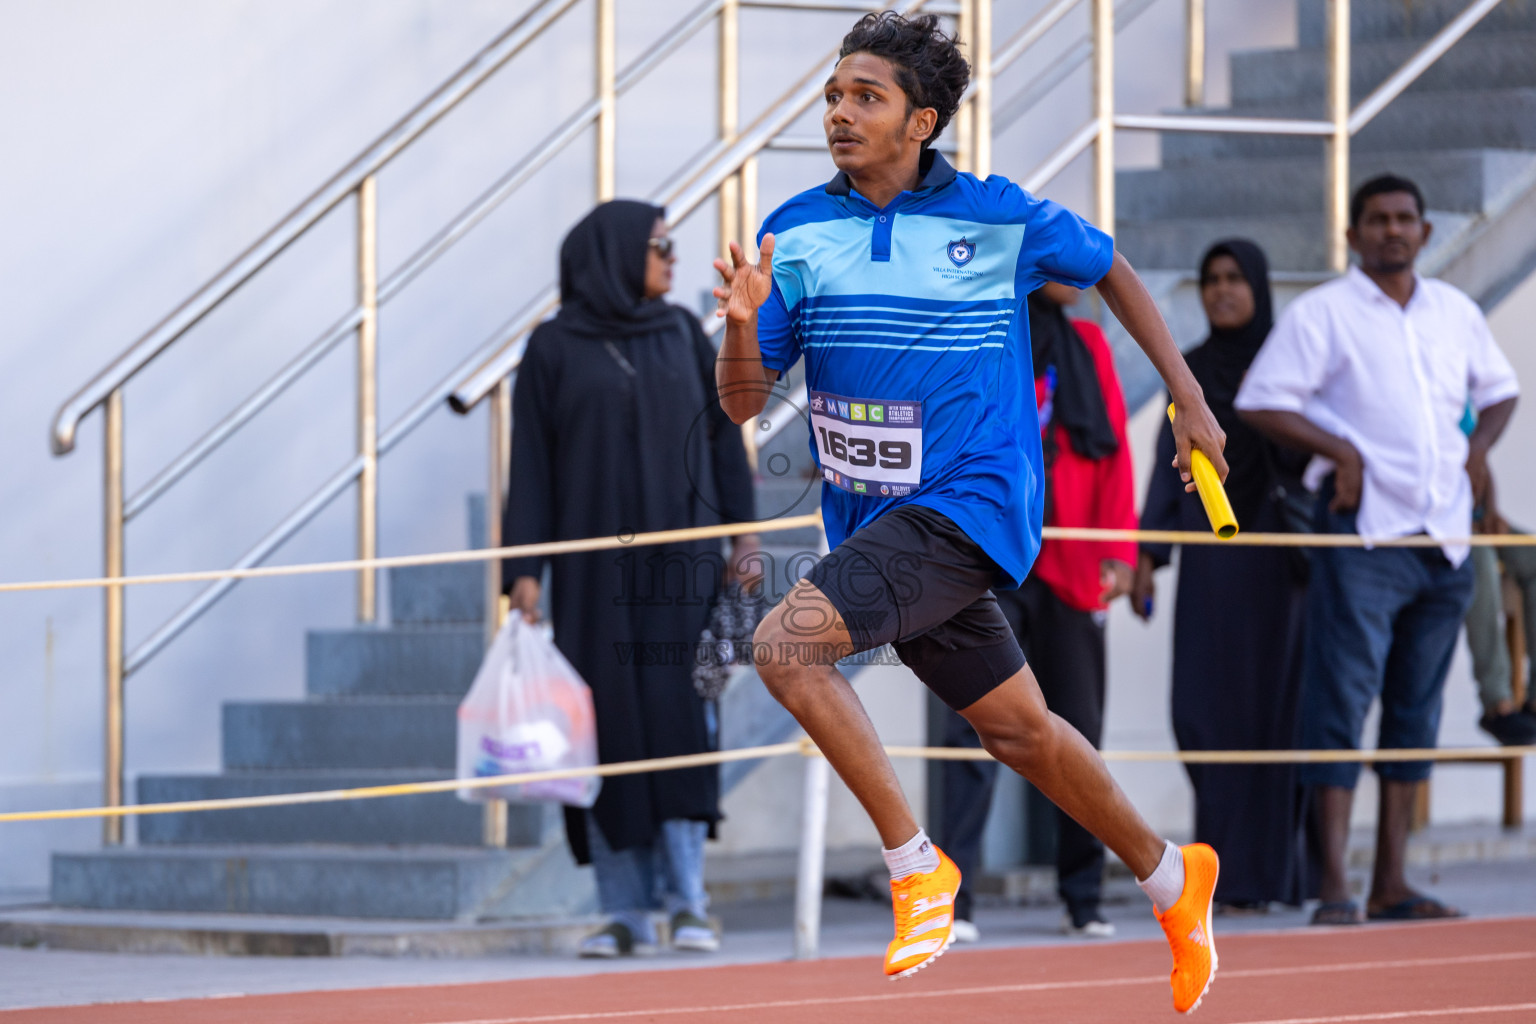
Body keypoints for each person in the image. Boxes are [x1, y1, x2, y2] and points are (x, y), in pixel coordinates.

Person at [712, 12, 1228, 1013]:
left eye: (865, 97)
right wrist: (740, 326)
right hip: (877, 525)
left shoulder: (998, 218)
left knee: (786, 647)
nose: (839, 114)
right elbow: (742, 401)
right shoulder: (798, 232)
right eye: (832, 95)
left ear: (923, 118)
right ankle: (1173, 878)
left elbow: (1110, 266)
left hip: (972, 503)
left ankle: (917, 868)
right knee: (1023, 732)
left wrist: (1187, 396)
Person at [1235, 175, 1520, 925]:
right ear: (1354, 235)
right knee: (1340, 700)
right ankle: (1336, 885)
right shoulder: (1323, 313)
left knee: (1416, 709)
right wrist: (1341, 453)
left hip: (1446, 540)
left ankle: (1394, 881)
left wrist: (1482, 447)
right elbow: (1261, 399)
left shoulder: (1455, 312)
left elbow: (1500, 390)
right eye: (1377, 220)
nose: (1393, 231)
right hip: (1363, 536)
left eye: (1405, 220)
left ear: (1425, 233)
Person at [502, 200, 757, 958]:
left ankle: (687, 902)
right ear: (612, 255)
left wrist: (743, 537)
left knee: (681, 727)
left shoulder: (680, 331)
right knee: (604, 736)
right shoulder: (551, 349)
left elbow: (720, 441)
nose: (673, 257)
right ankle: (623, 912)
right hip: (589, 580)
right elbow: (532, 468)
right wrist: (523, 573)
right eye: (659, 245)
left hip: (679, 575)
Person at [937, 282, 1138, 942]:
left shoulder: (1088, 343)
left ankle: (1083, 897)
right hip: (988, 555)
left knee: (1077, 724)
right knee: (970, 728)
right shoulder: (979, 335)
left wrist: (1117, 547)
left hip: (1071, 559)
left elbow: (1113, 451)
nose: (1065, 270)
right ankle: (955, 898)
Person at [1133, 240, 1310, 912]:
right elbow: (1163, 468)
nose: (1223, 291)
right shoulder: (1193, 372)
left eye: (1237, 279)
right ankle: (1225, 872)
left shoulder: (1287, 366)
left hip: (1280, 566)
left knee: (1276, 717)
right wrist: (1149, 557)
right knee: (1202, 712)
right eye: (1211, 280)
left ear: (1260, 286)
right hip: (1212, 568)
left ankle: (1273, 878)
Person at [1465, 471, 1536, 745]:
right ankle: (1497, 704)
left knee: (1531, 552)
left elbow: (1478, 455)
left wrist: (1490, 509)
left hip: (1474, 516)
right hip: (1439, 523)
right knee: (1481, 562)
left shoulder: (1466, 427)